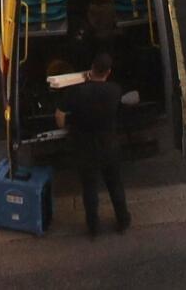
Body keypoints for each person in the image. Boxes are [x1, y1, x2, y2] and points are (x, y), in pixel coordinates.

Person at [51, 52, 131, 236]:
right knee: (115, 185)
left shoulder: (76, 91)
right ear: (108, 72)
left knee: (90, 188)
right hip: (109, 145)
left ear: (91, 68)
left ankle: (93, 227)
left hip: (85, 146)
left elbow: (59, 116)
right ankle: (123, 220)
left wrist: (65, 126)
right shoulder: (114, 90)